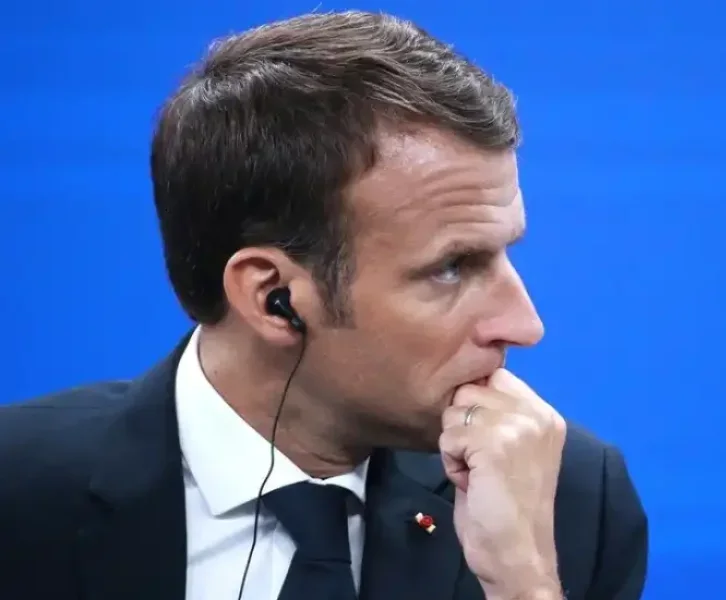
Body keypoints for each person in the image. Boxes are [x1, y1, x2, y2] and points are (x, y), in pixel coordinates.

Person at [0, 10, 647, 600]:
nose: (525, 326)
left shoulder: (565, 505)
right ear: (272, 298)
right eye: (451, 268)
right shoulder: (18, 492)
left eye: (505, 253)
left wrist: (523, 584)